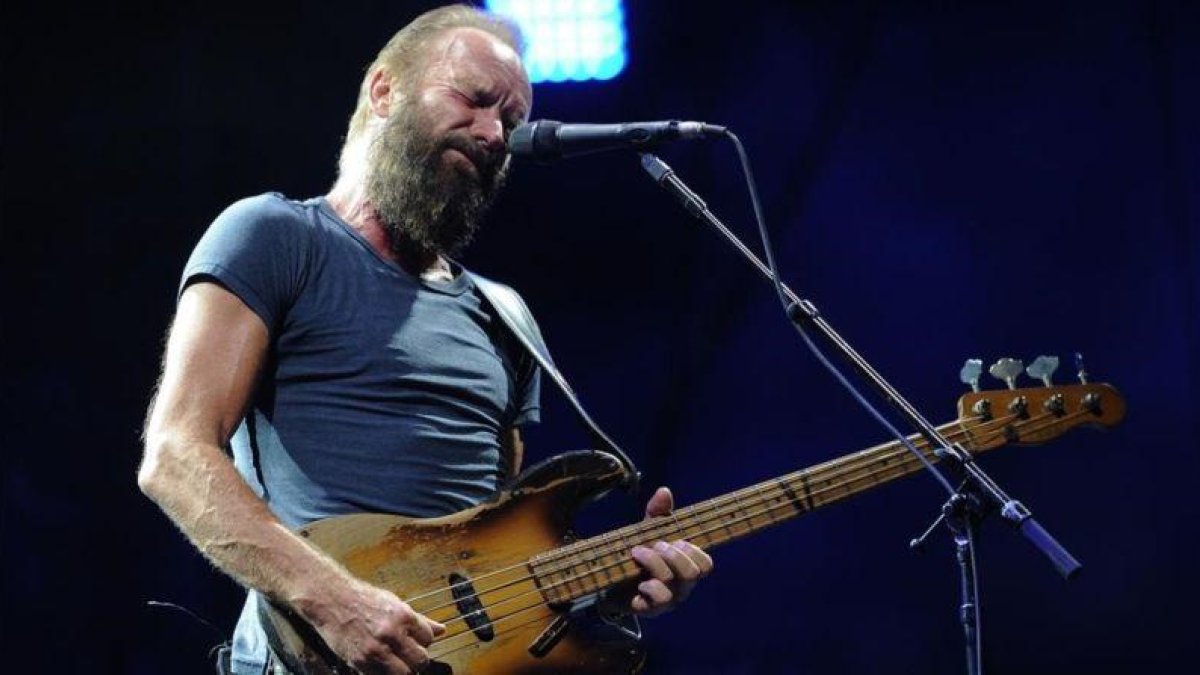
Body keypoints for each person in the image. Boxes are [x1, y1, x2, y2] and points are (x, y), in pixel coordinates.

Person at [137, 4, 713, 674]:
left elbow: (493, 567)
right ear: (384, 90)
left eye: (511, 120)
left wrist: (614, 589)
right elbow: (175, 455)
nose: (496, 133)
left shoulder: (506, 315)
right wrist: (335, 599)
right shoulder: (275, 237)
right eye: (474, 100)